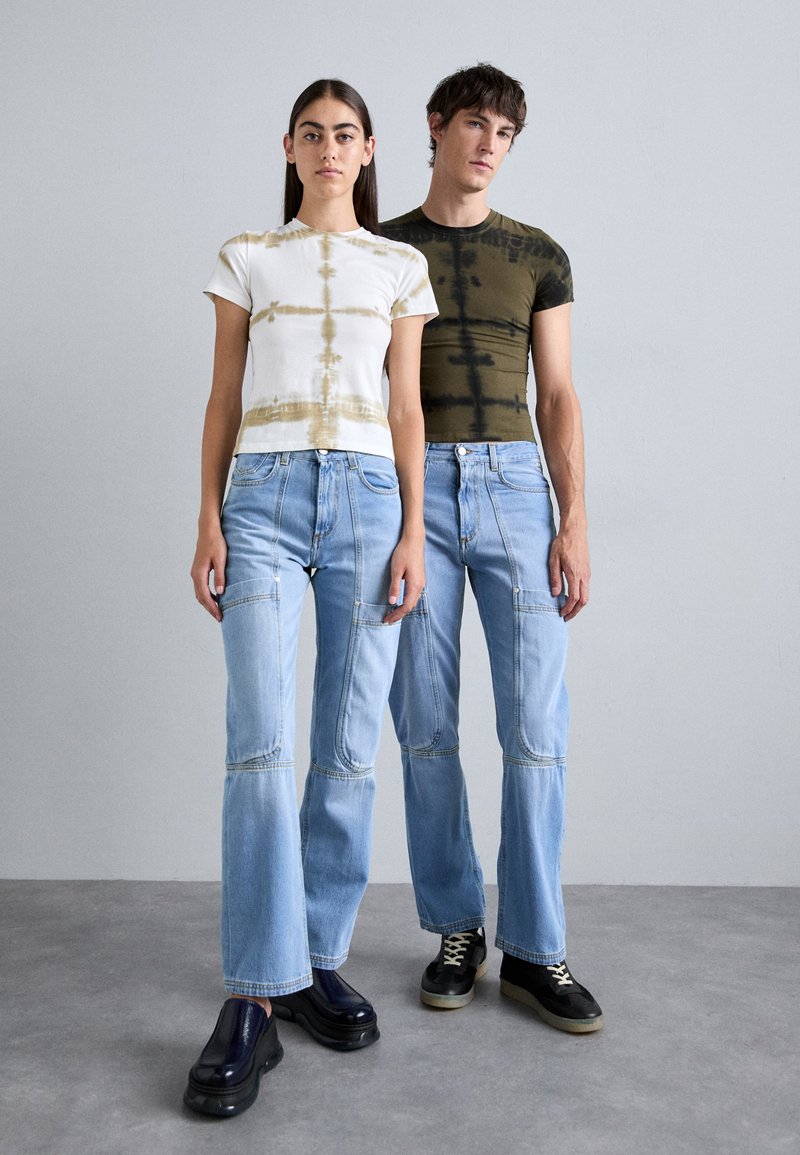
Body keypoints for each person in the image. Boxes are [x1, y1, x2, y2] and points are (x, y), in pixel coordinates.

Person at [185, 78, 438, 1117]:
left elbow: (407, 406)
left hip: (371, 501)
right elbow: (222, 396)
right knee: (258, 743)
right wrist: (207, 518)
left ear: (368, 149)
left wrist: (414, 529)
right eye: (311, 134)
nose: (329, 148)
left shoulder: (401, 266)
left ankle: (312, 960)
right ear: (288, 148)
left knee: (345, 745)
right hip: (264, 499)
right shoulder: (248, 255)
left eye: (345, 134)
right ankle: (253, 989)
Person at [383, 63, 603, 1032]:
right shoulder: (383, 248)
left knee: (535, 729)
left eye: (504, 133)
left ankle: (535, 949)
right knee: (425, 722)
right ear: (435, 126)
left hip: (516, 487)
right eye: (474, 124)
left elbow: (556, 393)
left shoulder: (539, 252)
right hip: (414, 486)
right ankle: (455, 928)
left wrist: (573, 517)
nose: (488, 145)